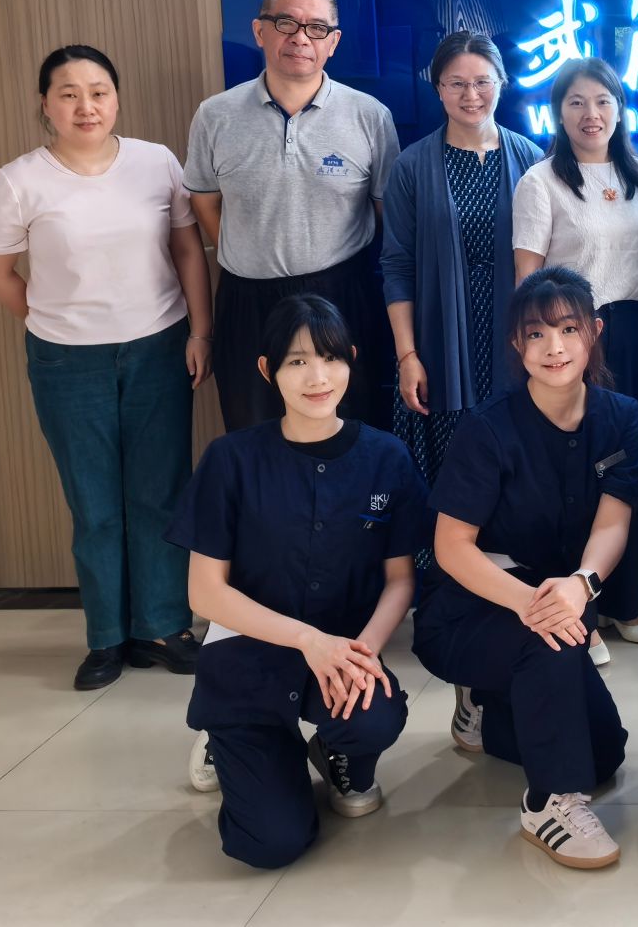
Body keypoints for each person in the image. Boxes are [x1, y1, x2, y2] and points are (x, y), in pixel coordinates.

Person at [0, 45, 212, 691]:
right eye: (69, 93)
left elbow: (188, 249)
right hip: (66, 362)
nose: (87, 106)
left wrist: (200, 329)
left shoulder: (155, 162)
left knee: (160, 492)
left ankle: (163, 626)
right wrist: (52, 319)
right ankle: (106, 635)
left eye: (99, 91)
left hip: (159, 345)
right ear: (45, 104)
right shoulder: (19, 180)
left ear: (116, 98)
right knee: (94, 503)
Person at [169, 294, 422, 870]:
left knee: (373, 716)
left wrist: (364, 654)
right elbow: (205, 593)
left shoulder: (387, 457)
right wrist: (308, 640)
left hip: (344, 648)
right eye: (297, 362)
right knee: (271, 842)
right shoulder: (230, 459)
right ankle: (235, 741)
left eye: (330, 359)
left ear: (351, 359)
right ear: (267, 370)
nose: (317, 378)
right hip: (249, 651)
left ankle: (335, 753)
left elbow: (400, 580)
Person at [414, 268, 638, 869]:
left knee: (604, 754)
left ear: (594, 332)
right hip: (470, 608)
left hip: (559, 597)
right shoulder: (487, 428)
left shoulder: (621, 416)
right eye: (536, 334)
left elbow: (613, 522)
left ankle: (487, 705)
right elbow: (451, 547)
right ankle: (549, 802)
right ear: (517, 344)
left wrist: (582, 585)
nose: (554, 347)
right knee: (552, 640)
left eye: (568, 329)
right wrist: (530, 604)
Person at [185, 0, 400, 431]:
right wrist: (253, 251)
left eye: (317, 28)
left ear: (333, 42)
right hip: (247, 302)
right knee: (253, 432)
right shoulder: (215, 115)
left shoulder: (370, 116)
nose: (301, 38)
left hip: (342, 295)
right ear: (259, 31)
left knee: (352, 429)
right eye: (286, 23)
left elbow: (387, 216)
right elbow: (204, 202)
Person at [513, 57, 638, 652]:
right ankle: (579, 612)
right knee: (576, 471)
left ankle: (625, 601)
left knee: (626, 467)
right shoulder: (541, 180)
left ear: (619, 109)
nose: (590, 114)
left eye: (602, 101)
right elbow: (528, 283)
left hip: (632, 334)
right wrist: (545, 343)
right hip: (570, 338)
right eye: (576, 102)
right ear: (558, 112)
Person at [381, 31, 544, 506]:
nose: (471, 95)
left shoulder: (532, 161)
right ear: (438, 88)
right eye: (456, 83)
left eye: (482, 82)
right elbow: (396, 266)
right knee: (450, 470)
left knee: (518, 456)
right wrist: (408, 356)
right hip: (439, 338)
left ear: (501, 83)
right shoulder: (411, 166)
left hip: (512, 333)